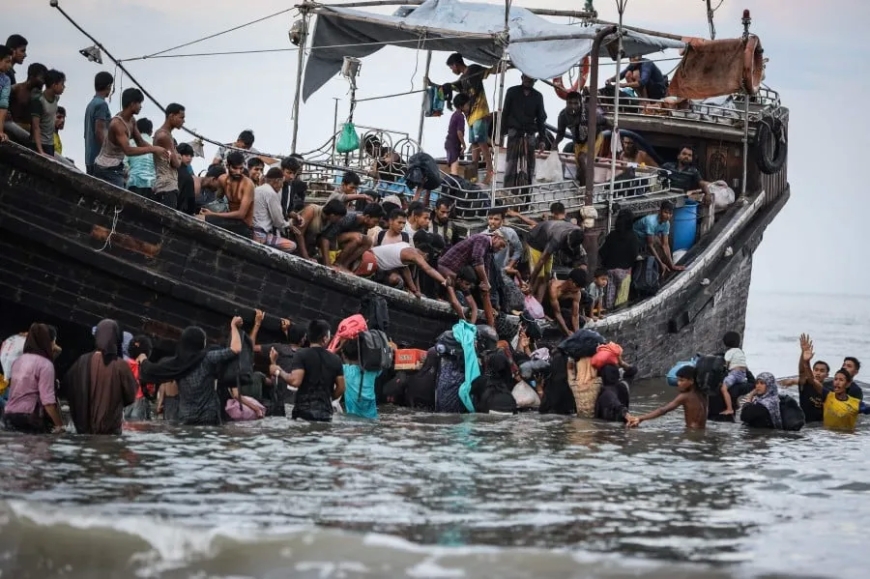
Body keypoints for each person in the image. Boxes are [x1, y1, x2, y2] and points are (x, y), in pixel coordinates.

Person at [140, 317, 243, 426]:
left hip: (186, 417)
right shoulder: (208, 358)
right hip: (209, 416)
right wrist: (233, 327)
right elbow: (236, 349)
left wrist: (143, 358)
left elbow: (151, 370)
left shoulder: (177, 364)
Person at [62, 319, 138, 435]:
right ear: (117, 338)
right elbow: (131, 396)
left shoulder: (81, 362)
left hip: (82, 431)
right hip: (110, 432)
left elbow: (67, 388)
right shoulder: (121, 366)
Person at [429, 53, 496, 182]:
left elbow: (490, 71)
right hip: (470, 116)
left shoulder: (473, 70)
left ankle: (490, 170)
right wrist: (434, 85)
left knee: (482, 142)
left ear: (455, 64)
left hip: (480, 112)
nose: (452, 70)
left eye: (451, 68)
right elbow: (450, 86)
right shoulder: (462, 79)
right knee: (475, 143)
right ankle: (474, 173)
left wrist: (508, 65)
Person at [270, 319, 345, 422]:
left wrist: (278, 371)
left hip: (302, 412)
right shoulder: (336, 359)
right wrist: (327, 398)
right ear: (325, 339)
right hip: (325, 414)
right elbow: (341, 388)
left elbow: (295, 381)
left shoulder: (301, 354)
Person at [93, 88, 166, 188]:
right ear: (132, 104)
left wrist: (157, 152)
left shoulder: (132, 120)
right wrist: (153, 149)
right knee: (118, 198)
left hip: (117, 166)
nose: (141, 106)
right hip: (105, 168)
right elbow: (128, 150)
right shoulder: (117, 124)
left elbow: (140, 142)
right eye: (139, 103)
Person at [2, 323, 65, 434]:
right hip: (28, 418)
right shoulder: (45, 365)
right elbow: (48, 401)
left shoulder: (18, 361)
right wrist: (60, 425)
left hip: (9, 416)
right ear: (47, 341)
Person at [438, 232, 507, 327]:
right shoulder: (484, 239)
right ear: (495, 237)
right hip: (447, 269)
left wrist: (486, 287)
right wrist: (485, 282)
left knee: (483, 291)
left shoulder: (489, 252)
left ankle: (491, 326)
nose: (499, 249)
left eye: (502, 248)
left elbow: (485, 270)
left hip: (458, 275)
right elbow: (477, 259)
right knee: (454, 294)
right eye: (501, 245)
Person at [798, 334, 860, 431]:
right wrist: (806, 361)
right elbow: (807, 376)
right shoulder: (827, 393)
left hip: (829, 432)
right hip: (810, 428)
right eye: (835, 379)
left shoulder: (835, 393)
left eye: (822, 371)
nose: (818, 373)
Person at [500, 75, 547, 190]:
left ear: (535, 80)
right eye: (526, 77)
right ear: (521, 77)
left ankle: (526, 194)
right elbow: (505, 113)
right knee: (511, 163)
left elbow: (541, 119)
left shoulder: (538, 96)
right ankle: (509, 192)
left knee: (529, 165)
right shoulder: (511, 92)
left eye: (531, 78)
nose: (528, 80)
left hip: (529, 134)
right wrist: (501, 133)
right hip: (514, 132)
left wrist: (542, 139)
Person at [371, 230, 449, 297]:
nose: (424, 262)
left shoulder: (407, 248)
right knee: (395, 279)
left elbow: (406, 271)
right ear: (426, 255)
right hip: (370, 261)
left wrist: (415, 290)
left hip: (377, 265)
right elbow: (429, 269)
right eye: (426, 260)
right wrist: (444, 281)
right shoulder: (414, 254)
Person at [628, 365, 707, 429]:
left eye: (682, 380)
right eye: (678, 380)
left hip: (692, 433)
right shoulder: (704, 393)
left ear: (691, 381)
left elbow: (663, 410)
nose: (678, 383)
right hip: (702, 430)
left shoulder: (685, 396)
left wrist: (641, 418)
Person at [526, 220, 587, 301]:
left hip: (548, 243)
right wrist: (531, 282)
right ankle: (529, 300)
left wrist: (580, 281)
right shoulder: (557, 239)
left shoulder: (578, 235)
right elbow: (541, 261)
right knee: (539, 276)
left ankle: (538, 305)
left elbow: (582, 259)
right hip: (536, 241)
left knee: (546, 276)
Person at [201, 151, 255, 238]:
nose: (238, 172)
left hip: (243, 225)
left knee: (202, 219)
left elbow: (241, 214)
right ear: (227, 166)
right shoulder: (222, 179)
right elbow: (217, 201)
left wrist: (212, 214)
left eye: (241, 169)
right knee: (198, 216)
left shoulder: (248, 185)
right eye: (235, 168)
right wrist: (204, 209)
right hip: (228, 220)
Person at [320, 203, 384, 271]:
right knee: (357, 237)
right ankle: (338, 263)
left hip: (340, 243)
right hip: (330, 239)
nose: (376, 225)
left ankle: (345, 264)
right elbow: (325, 237)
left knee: (368, 241)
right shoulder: (348, 218)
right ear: (367, 217)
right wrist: (327, 263)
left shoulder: (364, 225)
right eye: (375, 222)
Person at [252, 167, 301, 253]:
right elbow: (278, 221)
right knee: (292, 245)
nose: (282, 186)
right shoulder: (271, 193)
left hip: (252, 230)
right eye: (282, 182)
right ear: (277, 181)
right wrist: (289, 225)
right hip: (261, 234)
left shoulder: (258, 189)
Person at [598, 208, 639, 309]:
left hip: (610, 270)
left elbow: (602, 252)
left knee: (608, 301)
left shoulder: (612, 235)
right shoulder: (633, 237)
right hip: (624, 272)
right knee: (621, 302)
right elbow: (634, 255)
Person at [633, 200, 684, 274]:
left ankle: (668, 267)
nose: (668, 216)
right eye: (665, 212)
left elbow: (665, 245)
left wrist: (672, 265)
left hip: (645, 238)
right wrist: (661, 263)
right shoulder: (651, 222)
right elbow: (650, 245)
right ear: (660, 211)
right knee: (655, 242)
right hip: (633, 238)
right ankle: (661, 266)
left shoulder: (666, 224)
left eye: (670, 214)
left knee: (660, 244)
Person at [152, 102, 186, 209]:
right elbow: (175, 163)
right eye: (181, 117)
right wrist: (179, 157)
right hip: (166, 187)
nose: (183, 121)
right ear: (171, 116)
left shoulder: (166, 135)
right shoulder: (164, 136)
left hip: (166, 185)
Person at [552, 91, 591, 182]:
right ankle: (581, 187)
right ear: (566, 103)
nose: (572, 106)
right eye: (570, 103)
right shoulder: (562, 116)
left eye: (575, 103)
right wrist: (555, 143)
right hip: (578, 142)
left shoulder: (587, 111)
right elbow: (560, 133)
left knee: (581, 158)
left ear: (580, 103)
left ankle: (586, 188)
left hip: (593, 138)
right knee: (579, 168)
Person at [29, 69, 65, 157]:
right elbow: (35, 127)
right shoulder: (39, 101)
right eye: (62, 84)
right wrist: (40, 150)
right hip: (38, 144)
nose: (63, 87)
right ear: (54, 85)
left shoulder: (56, 98)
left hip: (50, 144)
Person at [84, 71, 114, 175]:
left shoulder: (91, 104)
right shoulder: (102, 105)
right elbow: (99, 132)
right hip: (98, 160)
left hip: (89, 157)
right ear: (109, 86)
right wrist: (109, 155)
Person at [546, 268, 587, 337]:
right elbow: (557, 313)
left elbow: (575, 315)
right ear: (570, 281)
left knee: (581, 321)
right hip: (547, 307)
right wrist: (567, 331)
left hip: (561, 308)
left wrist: (577, 334)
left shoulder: (577, 293)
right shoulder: (554, 288)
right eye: (577, 287)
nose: (578, 290)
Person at [211, 129, 276, 167]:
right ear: (238, 141)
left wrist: (281, 164)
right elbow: (214, 164)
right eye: (244, 147)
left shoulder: (252, 151)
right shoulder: (224, 148)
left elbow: (266, 159)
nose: (246, 150)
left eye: (248, 148)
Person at [126, 118, 155, 199]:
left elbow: (124, 164)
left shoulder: (130, 143)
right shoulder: (155, 145)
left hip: (133, 183)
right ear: (151, 131)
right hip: (151, 186)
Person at [720, 331, 747, 417]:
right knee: (733, 388)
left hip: (735, 374)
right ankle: (737, 404)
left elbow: (726, 365)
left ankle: (729, 409)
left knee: (724, 389)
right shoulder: (740, 351)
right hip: (743, 374)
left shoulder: (729, 352)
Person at [446, 93, 469, 175]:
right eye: (467, 105)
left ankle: (452, 184)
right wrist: (464, 145)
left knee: (454, 166)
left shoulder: (454, 114)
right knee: (454, 169)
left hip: (450, 143)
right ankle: (452, 185)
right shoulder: (460, 116)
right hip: (453, 144)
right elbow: (459, 132)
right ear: (461, 106)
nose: (468, 107)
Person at [0, 46, 13, 143]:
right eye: (7, 61)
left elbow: (3, 106)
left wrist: (0, 131)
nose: (10, 65)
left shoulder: (6, 80)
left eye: (10, 62)